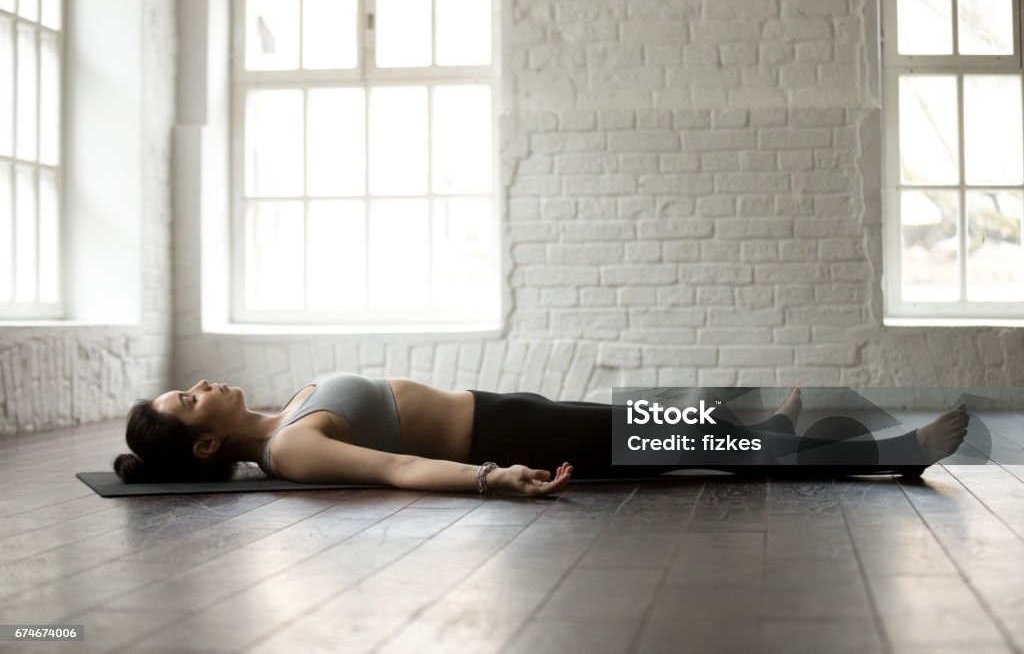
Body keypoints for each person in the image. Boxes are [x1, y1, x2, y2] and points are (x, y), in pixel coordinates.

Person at [114, 373, 970, 496]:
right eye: (190, 401)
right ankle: (898, 453)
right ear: (202, 444)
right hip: (507, 433)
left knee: (660, 425)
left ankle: (749, 428)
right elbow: (399, 469)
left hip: (506, 406)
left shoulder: (285, 409)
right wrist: (493, 477)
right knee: (689, 449)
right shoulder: (290, 446)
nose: (202, 386)